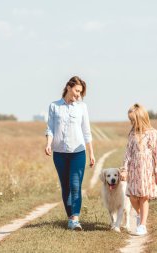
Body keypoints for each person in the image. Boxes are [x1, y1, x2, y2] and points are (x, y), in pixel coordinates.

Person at [45, 76, 95, 231]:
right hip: (59, 153)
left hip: (78, 153)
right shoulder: (54, 106)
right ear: (68, 87)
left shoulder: (82, 107)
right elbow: (50, 129)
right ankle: (70, 219)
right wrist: (48, 144)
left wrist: (91, 153)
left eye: (80, 93)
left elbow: (87, 132)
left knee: (75, 185)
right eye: (77, 91)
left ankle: (75, 218)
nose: (78, 95)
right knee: (65, 187)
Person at [121, 103, 157, 236]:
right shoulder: (132, 134)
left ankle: (143, 225)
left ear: (141, 118)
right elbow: (128, 153)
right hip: (134, 169)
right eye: (130, 120)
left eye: (133, 120)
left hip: (147, 170)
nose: (131, 122)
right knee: (133, 197)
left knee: (144, 197)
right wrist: (124, 169)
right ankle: (139, 215)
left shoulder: (152, 133)